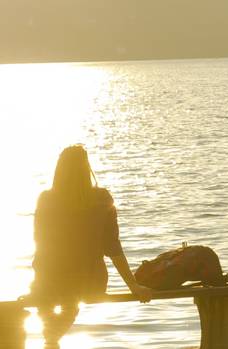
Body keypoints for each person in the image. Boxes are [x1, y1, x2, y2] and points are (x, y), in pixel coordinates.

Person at [29, 144, 149, 348]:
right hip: (91, 281)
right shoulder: (102, 199)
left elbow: (41, 246)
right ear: (87, 169)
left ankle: (51, 337)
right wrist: (133, 285)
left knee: (49, 298)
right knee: (67, 298)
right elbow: (113, 247)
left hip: (53, 280)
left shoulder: (47, 200)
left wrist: (39, 284)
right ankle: (52, 338)